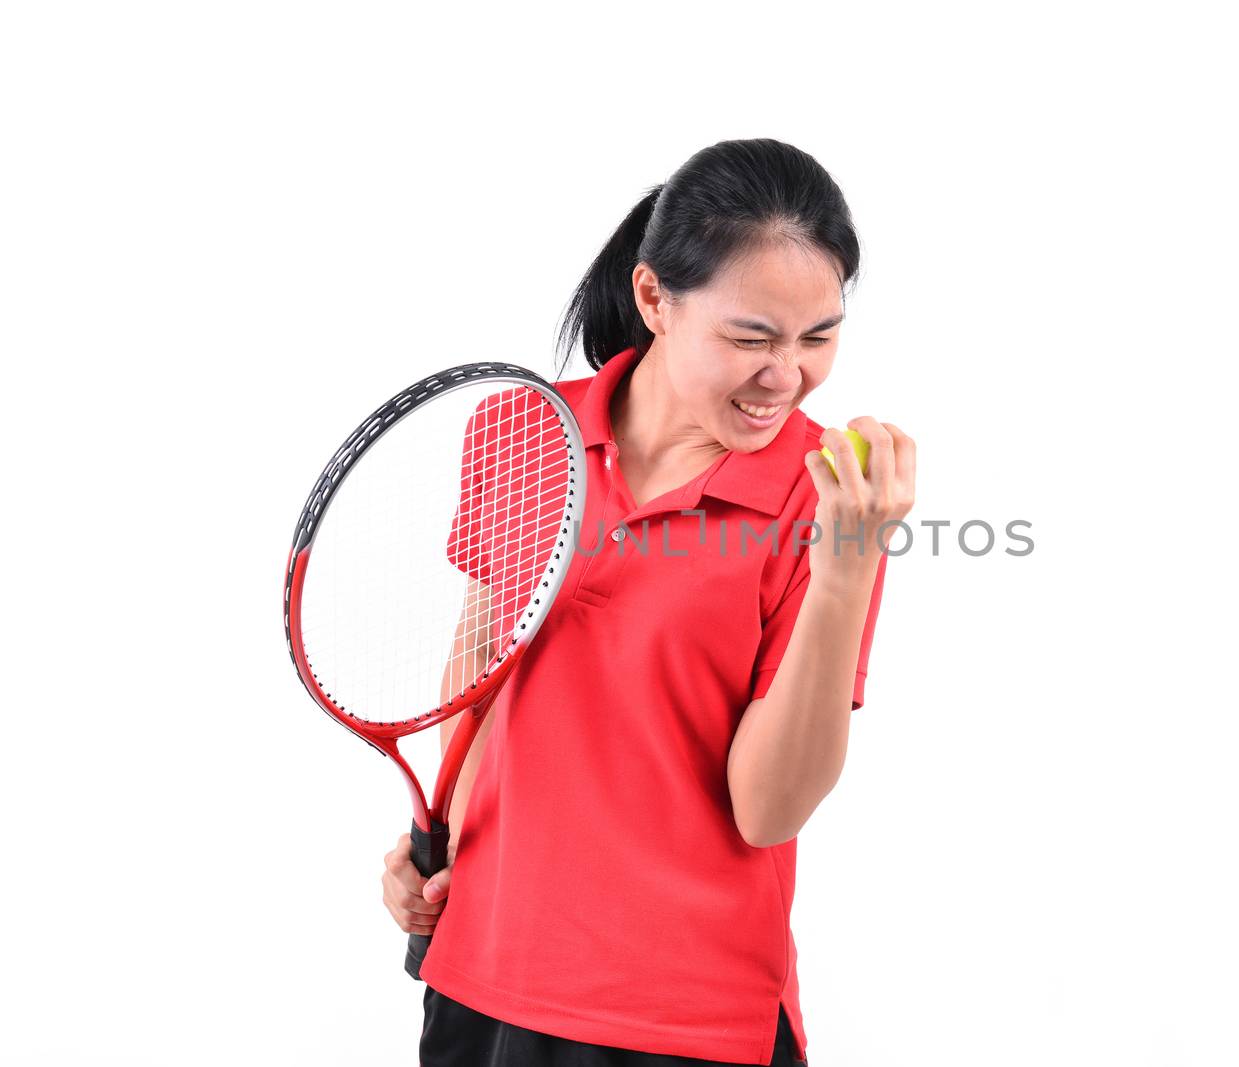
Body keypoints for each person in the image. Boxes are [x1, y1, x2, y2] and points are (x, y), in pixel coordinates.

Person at [380, 138, 916, 1066]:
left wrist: (847, 565)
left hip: (682, 1020)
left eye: (818, 338)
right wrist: (449, 849)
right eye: (751, 338)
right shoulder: (524, 428)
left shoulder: (821, 492)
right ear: (654, 299)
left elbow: (769, 810)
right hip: (483, 978)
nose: (785, 377)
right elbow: (477, 670)